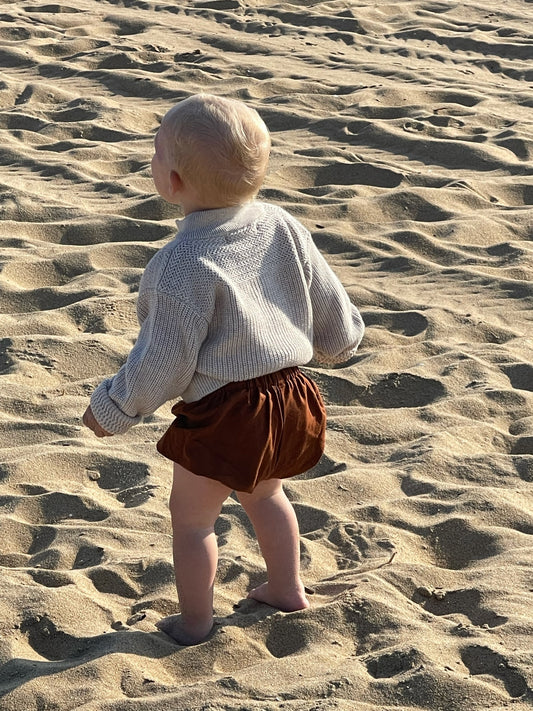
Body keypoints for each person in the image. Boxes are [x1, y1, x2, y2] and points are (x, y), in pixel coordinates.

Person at [82, 93, 364, 645]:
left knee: (192, 522)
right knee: (267, 495)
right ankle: (286, 587)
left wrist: (113, 408)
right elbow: (326, 298)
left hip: (226, 411)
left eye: (156, 151)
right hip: (291, 396)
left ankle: (195, 622)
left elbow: (163, 361)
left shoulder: (179, 264)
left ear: (173, 182)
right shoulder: (281, 223)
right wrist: (340, 341)